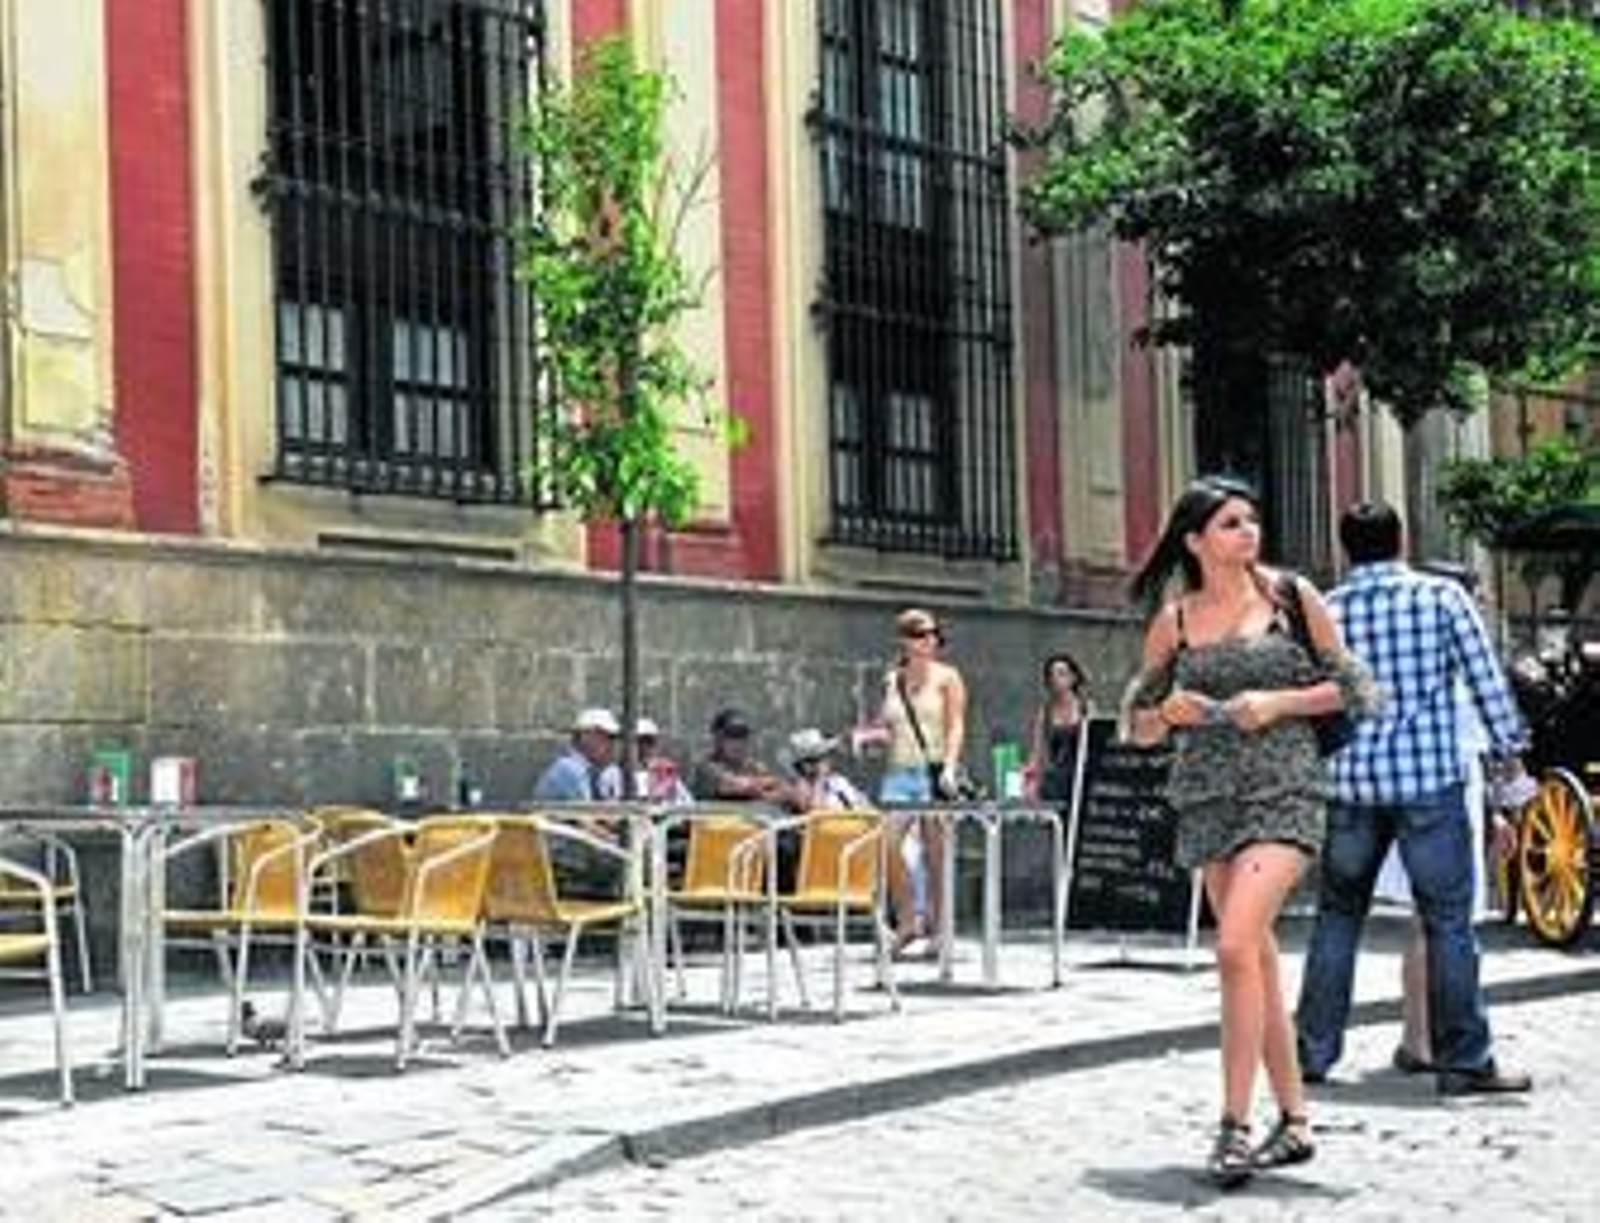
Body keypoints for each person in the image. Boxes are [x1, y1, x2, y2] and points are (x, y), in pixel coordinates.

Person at [1123, 476, 1372, 1188]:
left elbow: (1357, 688)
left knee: (1232, 942)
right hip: (1207, 795)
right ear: (1196, 540)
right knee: (1254, 959)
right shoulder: (1173, 620)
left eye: (1252, 520)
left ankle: (1232, 1125)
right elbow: (1136, 724)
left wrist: (1278, 701)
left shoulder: (1293, 597)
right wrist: (1165, 714)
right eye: (1231, 523)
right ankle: (1294, 1122)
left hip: (1286, 788)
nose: (1249, 531)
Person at [1296, 502, 1534, 1098]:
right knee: (1449, 923)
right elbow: (1484, 678)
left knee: (1336, 919)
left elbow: (1307, 696)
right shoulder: (1441, 598)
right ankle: (1466, 1062)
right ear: (1400, 539)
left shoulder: (1325, 609)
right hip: (1427, 781)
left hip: (1350, 785)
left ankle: (1309, 1055)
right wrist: (1510, 750)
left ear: (1344, 545)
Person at [874, 607, 969, 959]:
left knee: (935, 853)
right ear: (904, 641)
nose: (928, 640)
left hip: (932, 770)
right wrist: (870, 735)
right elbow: (888, 724)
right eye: (918, 634)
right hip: (899, 772)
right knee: (886, 842)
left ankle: (942, 928)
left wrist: (950, 766)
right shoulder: (891, 680)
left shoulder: (948, 677)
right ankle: (908, 919)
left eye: (932, 634)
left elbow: (956, 724)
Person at [688, 707, 804, 809]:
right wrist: (772, 786)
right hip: (714, 830)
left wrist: (783, 793)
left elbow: (789, 794)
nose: (738, 743)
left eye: (742, 736)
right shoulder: (706, 768)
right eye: (731, 736)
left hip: (756, 831)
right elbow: (737, 787)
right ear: (718, 739)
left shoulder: (754, 767)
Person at [1024, 651, 1090, 804]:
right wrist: (1030, 780)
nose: (1056, 679)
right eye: (1052, 675)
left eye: (1062, 673)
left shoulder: (1086, 708)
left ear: (1073, 678)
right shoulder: (1046, 711)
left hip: (1081, 778)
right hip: (1055, 780)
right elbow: (1037, 751)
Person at [534, 708, 622, 802]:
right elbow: (587, 812)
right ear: (585, 737)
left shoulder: (591, 772)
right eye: (604, 737)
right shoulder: (569, 770)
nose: (609, 745)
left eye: (610, 739)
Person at [785, 728, 871, 811]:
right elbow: (815, 810)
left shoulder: (837, 781)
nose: (831, 759)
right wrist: (820, 778)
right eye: (826, 756)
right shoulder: (804, 785)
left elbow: (863, 805)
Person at [636, 716, 693, 806]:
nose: (644, 748)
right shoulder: (619, 774)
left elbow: (689, 806)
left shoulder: (668, 774)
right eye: (639, 742)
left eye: (649, 742)